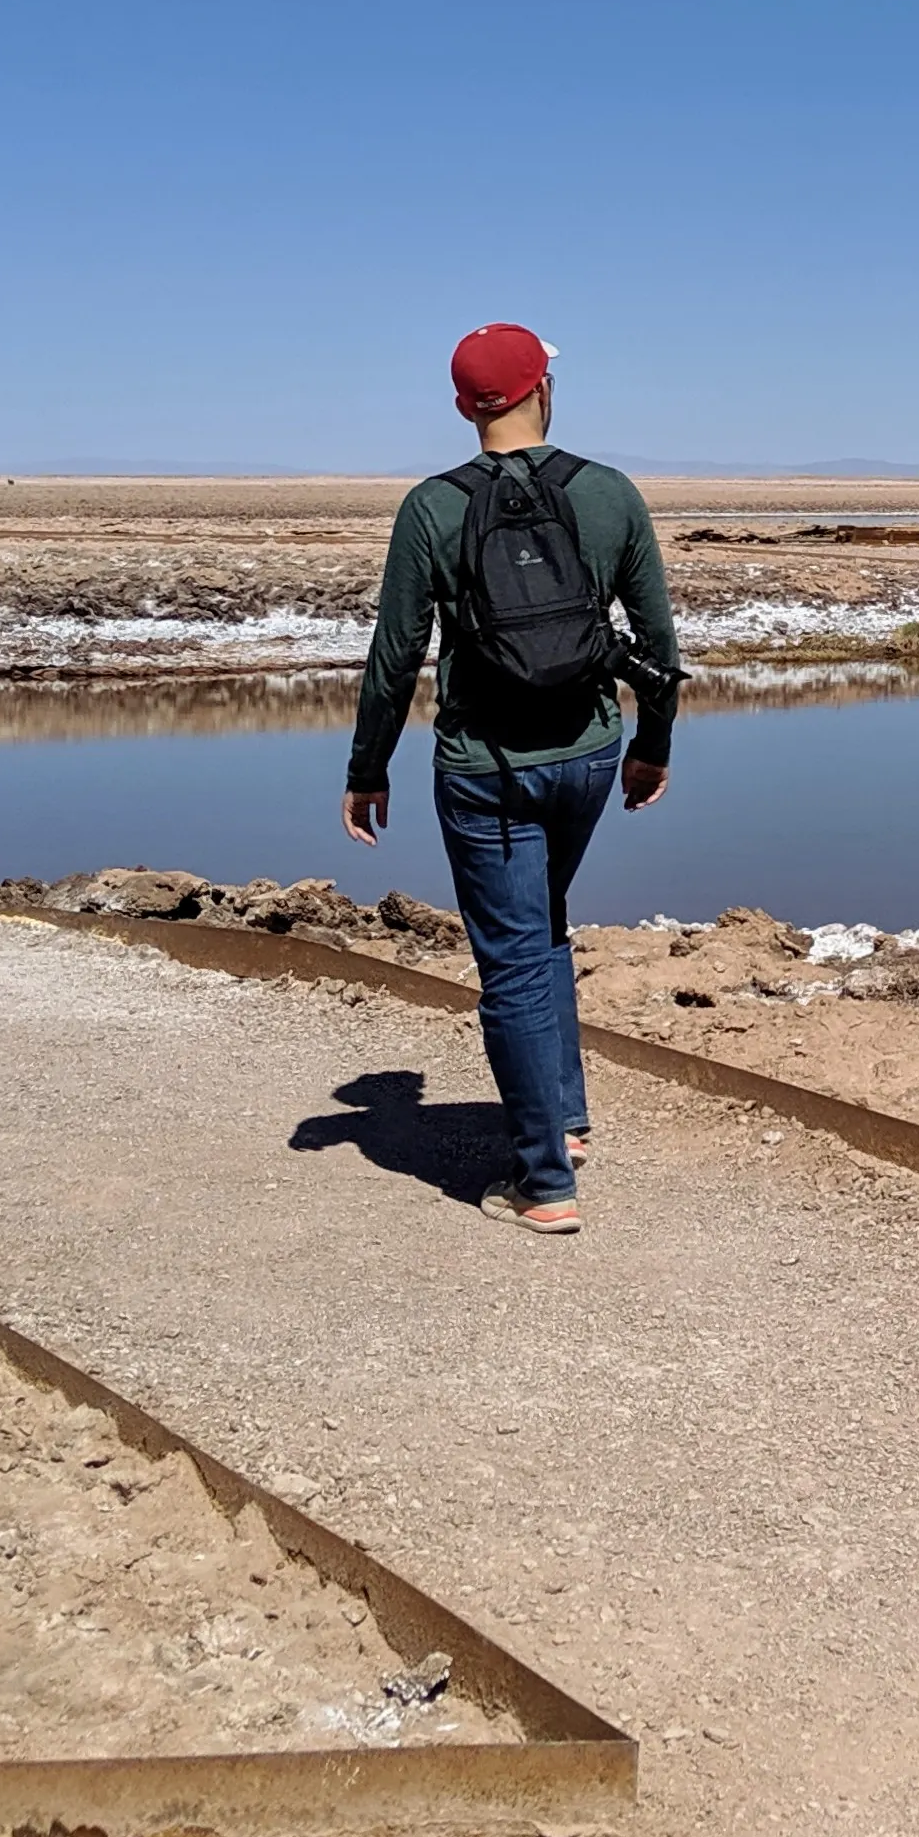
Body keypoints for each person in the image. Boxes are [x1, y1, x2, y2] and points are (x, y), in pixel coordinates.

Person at [342, 323, 679, 1234]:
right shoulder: (609, 494)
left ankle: (544, 1184)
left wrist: (367, 767)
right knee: (545, 929)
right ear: (544, 389)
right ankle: (561, 1122)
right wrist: (654, 745)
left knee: (515, 959)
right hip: (589, 758)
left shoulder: (432, 507)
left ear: (464, 405)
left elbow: (395, 655)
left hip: (485, 771)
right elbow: (658, 644)